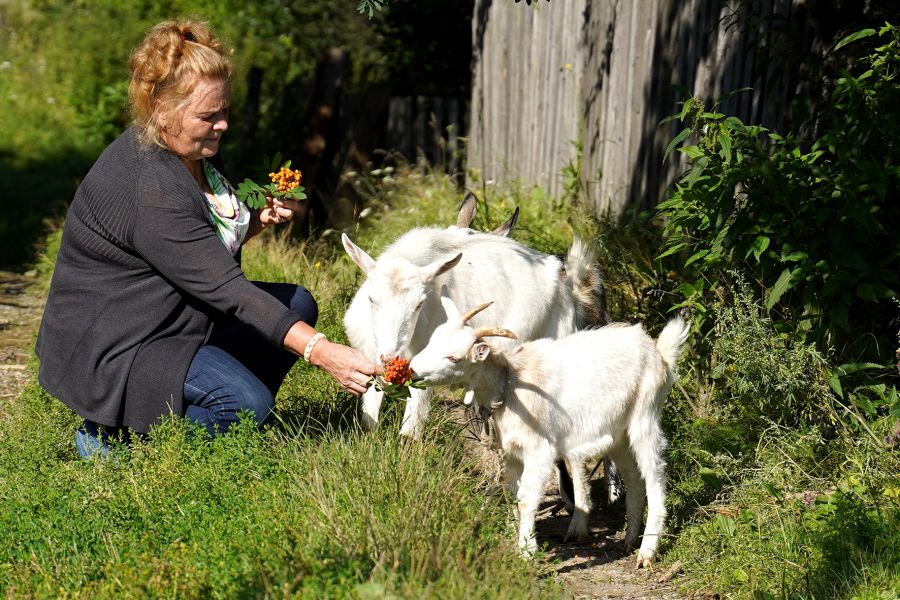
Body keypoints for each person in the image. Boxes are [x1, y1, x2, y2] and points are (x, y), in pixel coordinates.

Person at [35, 19, 379, 458]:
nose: (222, 125)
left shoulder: (186, 149)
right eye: (208, 115)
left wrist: (252, 221)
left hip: (166, 314)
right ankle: (122, 441)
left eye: (224, 111)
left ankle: (191, 406)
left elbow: (196, 247)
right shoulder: (152, 186)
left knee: (296, 303)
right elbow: (224, 287)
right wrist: (321, 351)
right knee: (245, 402)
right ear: (161, 108)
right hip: (118, 343)